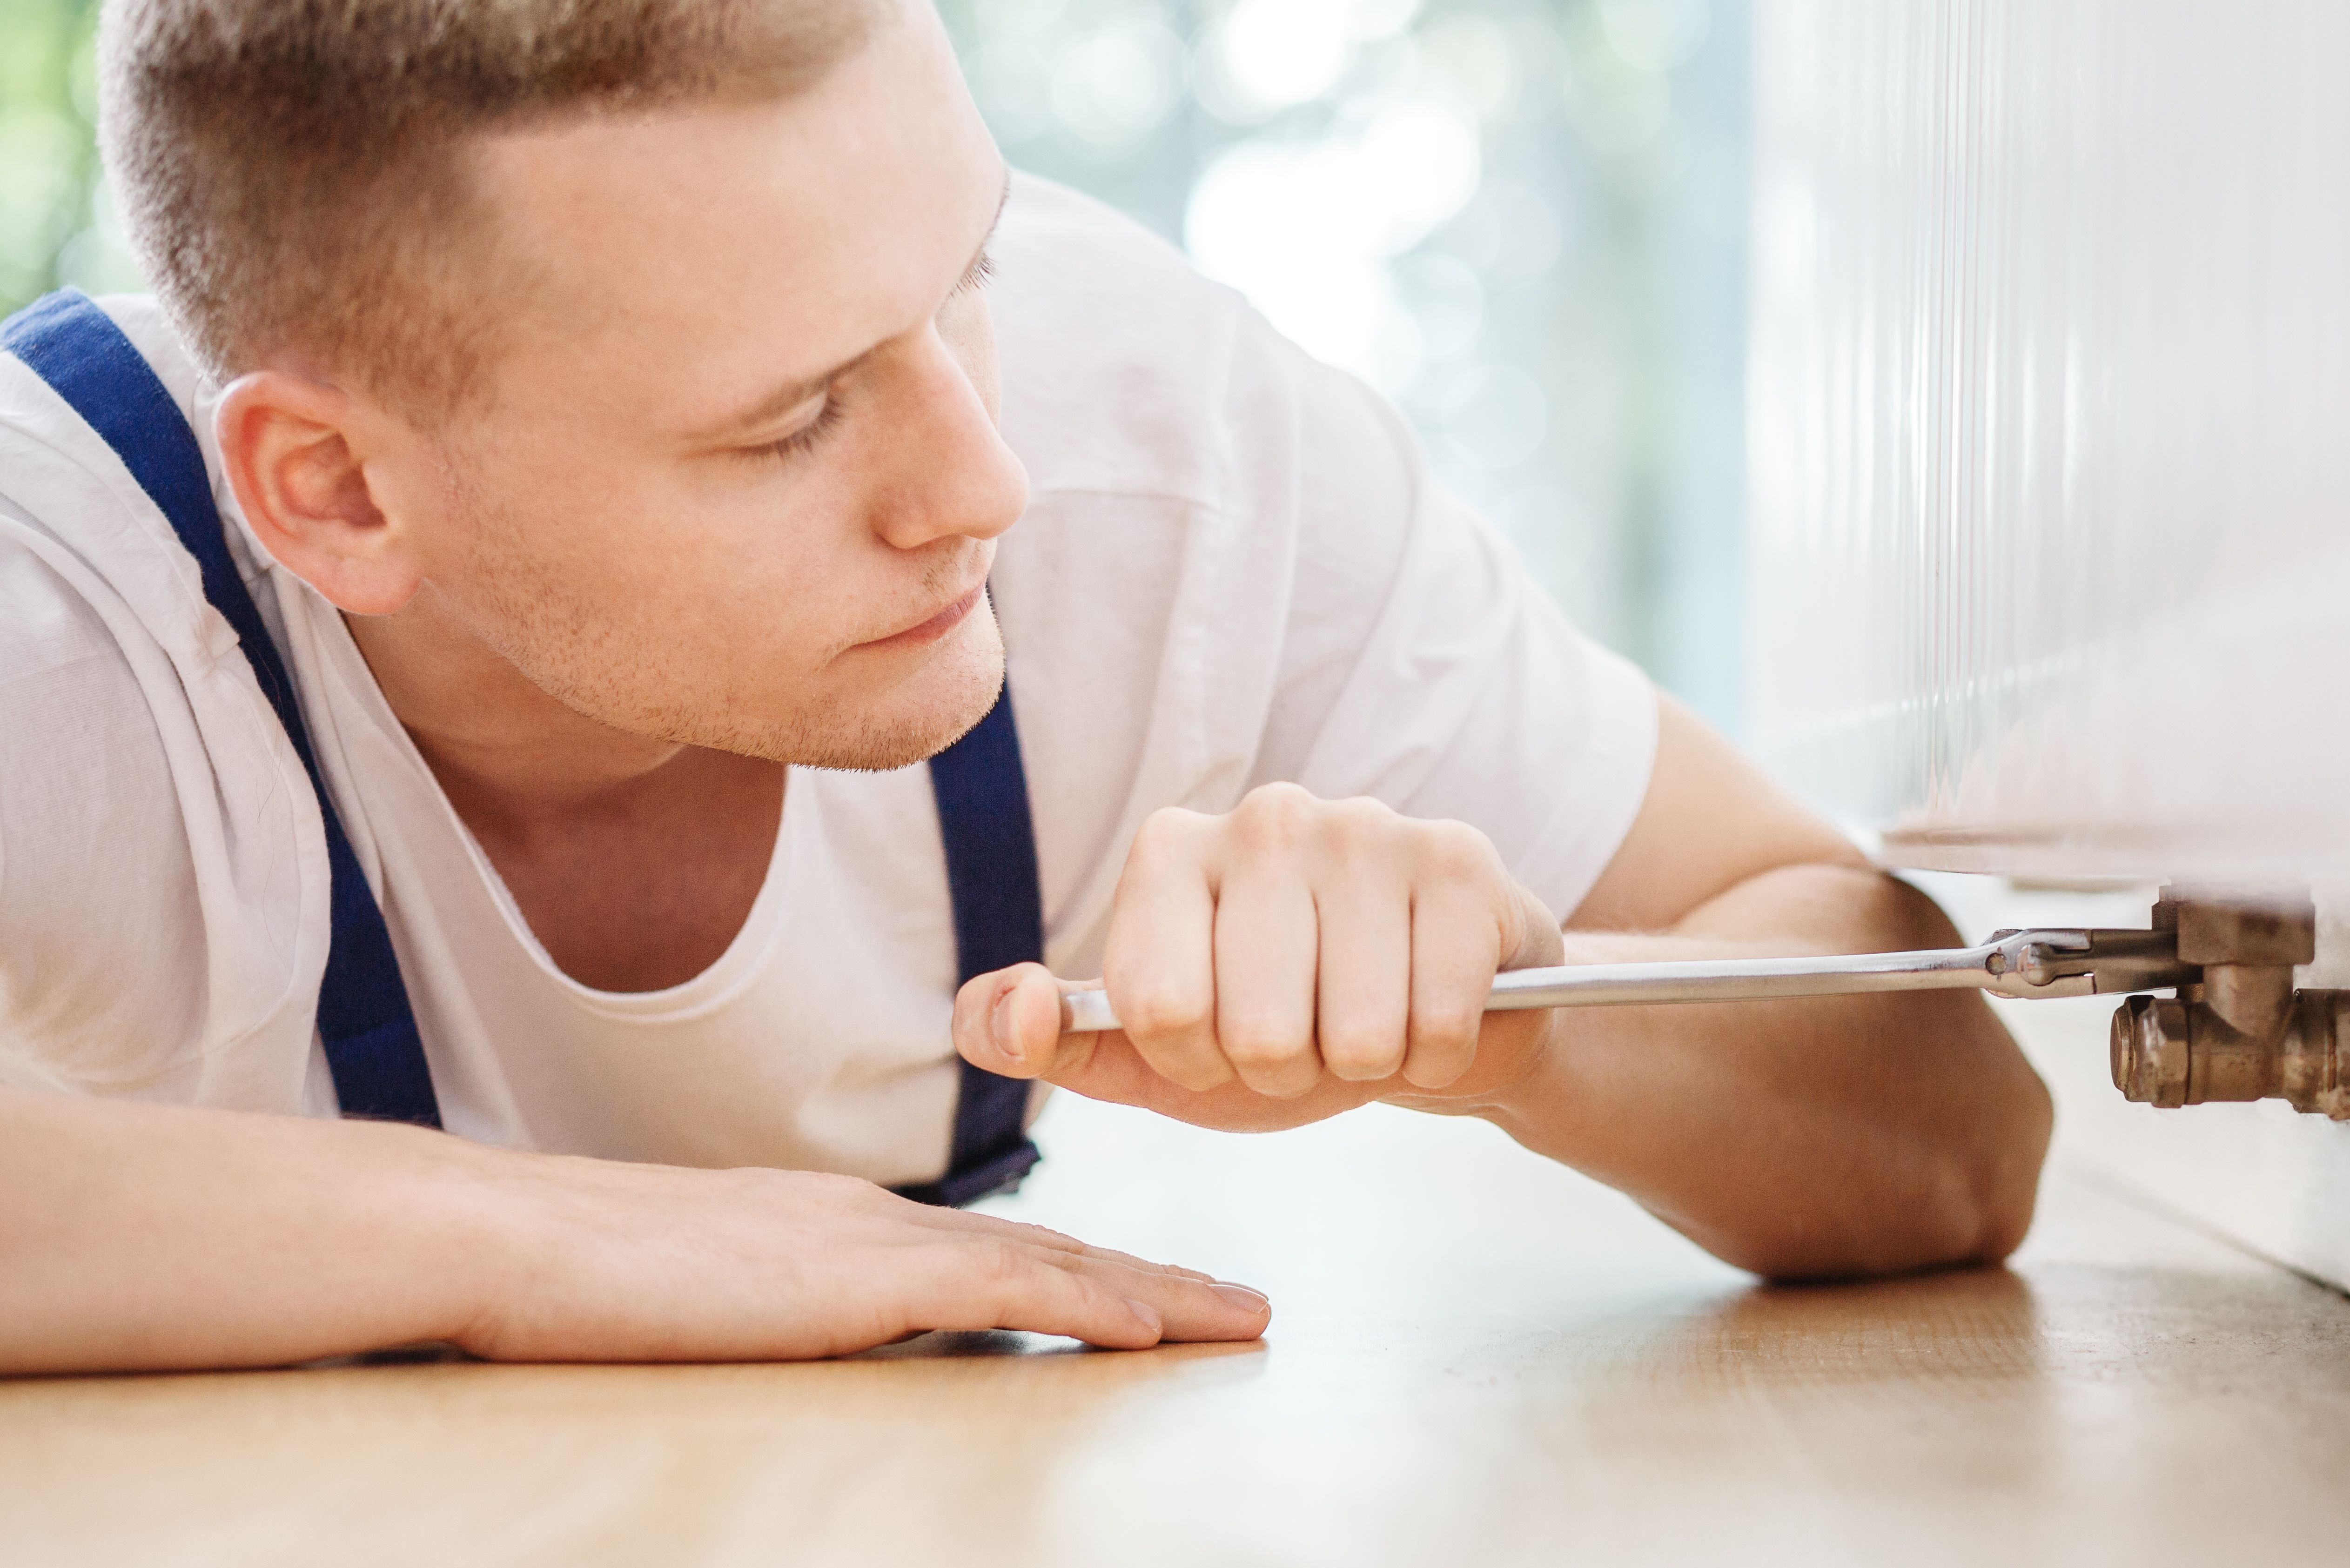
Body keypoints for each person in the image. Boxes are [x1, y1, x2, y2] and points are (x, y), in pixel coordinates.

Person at [0, 0, 2050, 1375]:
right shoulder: (60, 595)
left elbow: (1954, 1131)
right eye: (790, 418)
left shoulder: (1173, 442)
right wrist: (563, 1243)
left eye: (962, 272)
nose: (988, 479)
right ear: (339, 491)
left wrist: (1520, 1022)